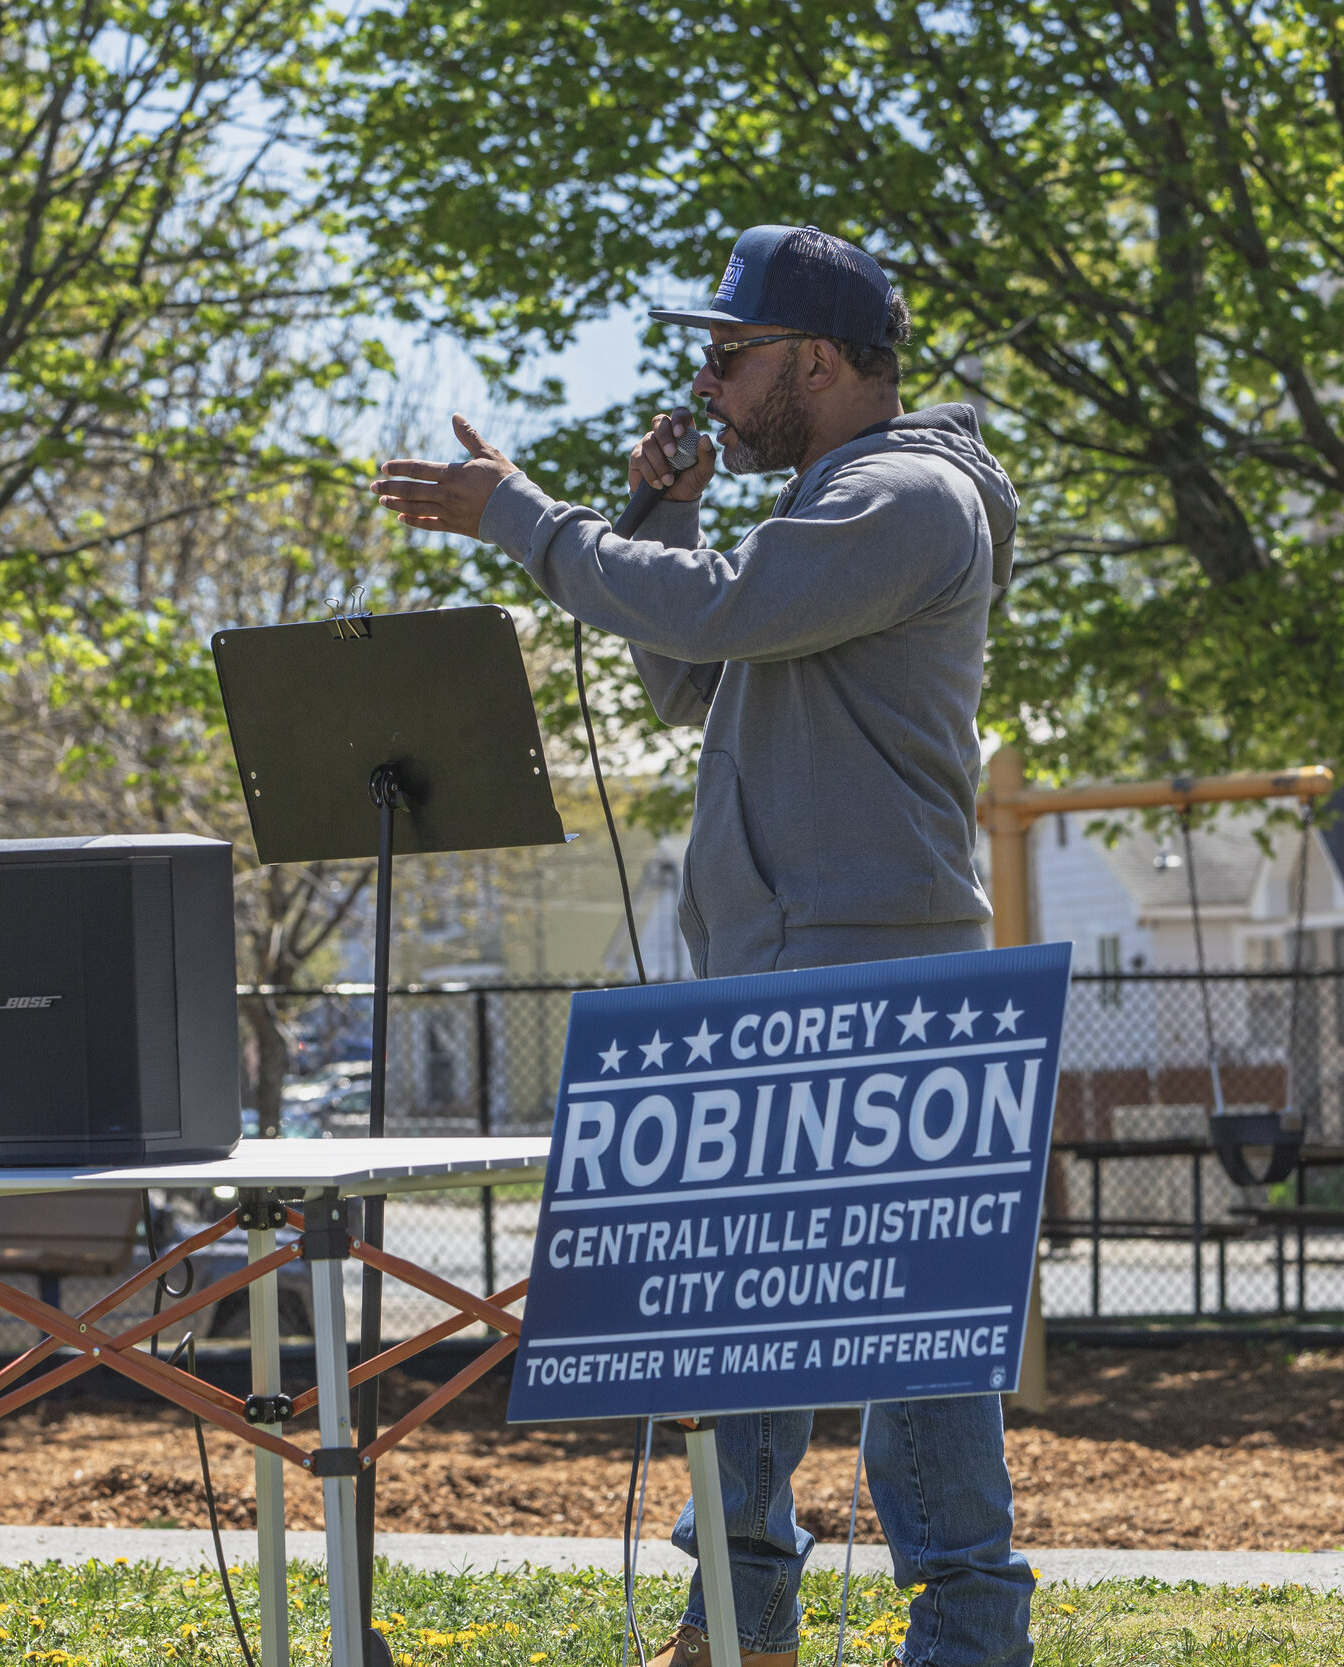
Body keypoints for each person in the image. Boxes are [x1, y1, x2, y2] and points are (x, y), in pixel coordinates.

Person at [369, 224, 1031, 1667]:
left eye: (731, 358)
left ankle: (971, 1641)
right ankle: (737, 1625)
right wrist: (653, 521)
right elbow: (695, 672)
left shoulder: (908, 493)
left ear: (822, 360)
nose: (709, 385)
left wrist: (524, 518)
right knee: (742, 1326)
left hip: (874, 975)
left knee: (913, 1349)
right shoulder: (827, 500)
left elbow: (721, 613)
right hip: (775, 967)